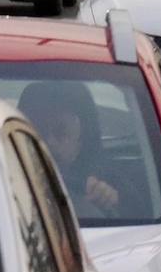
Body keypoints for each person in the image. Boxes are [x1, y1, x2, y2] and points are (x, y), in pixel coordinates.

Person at [16, 81, 124, 219]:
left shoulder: (113, 184)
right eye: (38, 131)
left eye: (61, 131)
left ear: (82, 138)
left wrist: (111, 201)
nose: (50, 141)